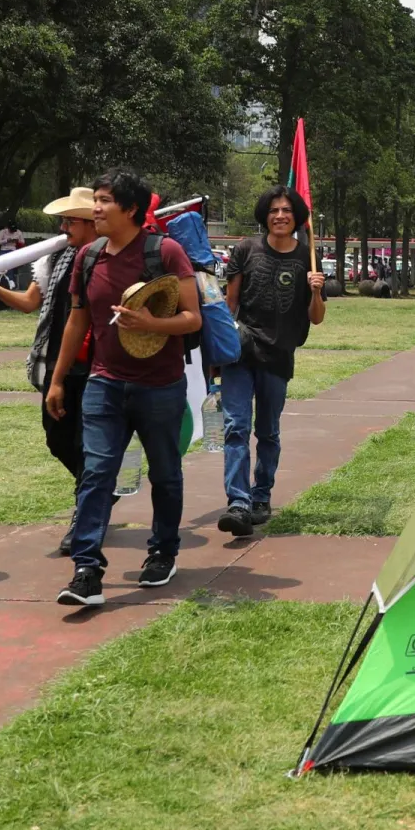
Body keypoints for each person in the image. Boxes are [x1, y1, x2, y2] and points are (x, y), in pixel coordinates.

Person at [45, 170, 202, 606]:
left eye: (105, 201)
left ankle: (163, 552)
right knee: (97, 473)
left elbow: (193, 319)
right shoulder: (88, 257)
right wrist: (56, 380)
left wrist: (152, 324)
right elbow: (77, 320)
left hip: (160, 387)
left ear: (131, 209)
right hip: (104, 384)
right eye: (95, 200)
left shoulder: (166, 252)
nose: (96, 208)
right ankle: (87, 570)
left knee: (165, 474)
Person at [0, 187, 99, 554]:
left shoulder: (109, 257)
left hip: (96, 365)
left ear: (91, 222)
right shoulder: (54, 257)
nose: (63, 227)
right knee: (57, 439)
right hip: (56, 362)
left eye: (70, 221)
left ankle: (87, 510)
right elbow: (32, 302)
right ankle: (94, 490)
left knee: (86, 441)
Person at [216, 186, 326, 537]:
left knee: (268, 431)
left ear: (297, 218)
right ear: (265, 215)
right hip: (241, 352)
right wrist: (216, 348)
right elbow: (229, 303)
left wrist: (316, 290)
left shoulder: (306, 257)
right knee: (235, 426)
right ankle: (238, 502)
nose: (280, 215)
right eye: (274, 210)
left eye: (287, 210)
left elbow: (317, 318)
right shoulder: (246, 249)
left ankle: (261, 496)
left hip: (278, 355)